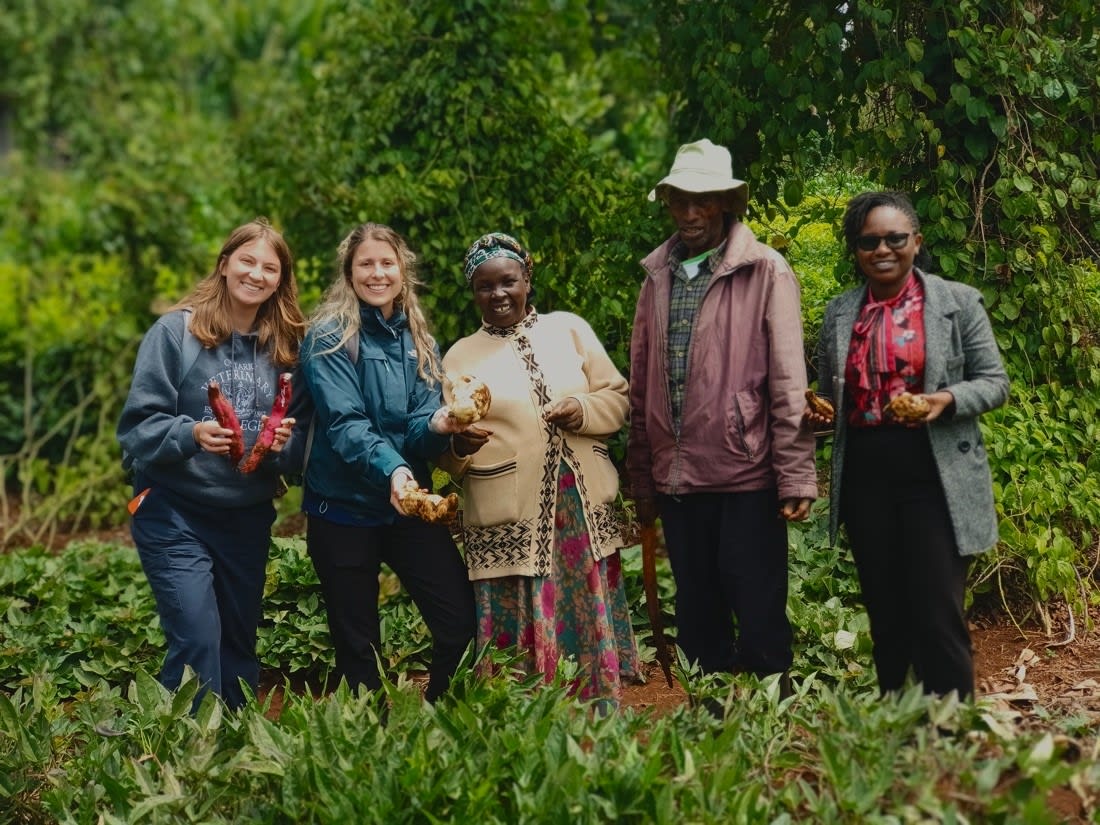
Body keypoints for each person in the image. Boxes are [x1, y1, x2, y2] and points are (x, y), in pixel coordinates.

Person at [626, 139, 818, 686]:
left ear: (726, 203)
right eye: (680, 200)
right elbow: (641, 381)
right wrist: (642, 475)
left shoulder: (765, 271)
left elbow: (787, 378)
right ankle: (707, 722)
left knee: (757, 605)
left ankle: (768, 716)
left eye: (703, 200)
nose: (690, 213)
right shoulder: (657, 277)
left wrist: (796, 473)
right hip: (679, 477)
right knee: (697, 610)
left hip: (745, 471)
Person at [806, 191, 1008, 699]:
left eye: (895, 238)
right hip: (866, 476)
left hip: (934, 470)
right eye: (869, 241)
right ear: (856, 249)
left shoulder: (957, 302)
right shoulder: (839, 313)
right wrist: (818, 412)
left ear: (916, 242)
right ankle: (898, 723)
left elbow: (994, 382)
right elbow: (833, 399)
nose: (883, 250)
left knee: (937, 609)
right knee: (886, 610)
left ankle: (950, 728)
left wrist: (943, 399)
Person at [439, 231, 640, 704]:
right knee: (520, 597)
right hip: (509, 507)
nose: (498, 294)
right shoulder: (459, 356)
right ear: (473, 293)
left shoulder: (569, 329)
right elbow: (447, 453)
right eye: (485, 286)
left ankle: (594, 702)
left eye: (508, 281)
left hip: (579, 504)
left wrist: (581, 408)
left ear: (527, 279)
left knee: (581, 593)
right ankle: (522, 708)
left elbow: (616, 397)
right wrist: (459, 444)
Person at [117, 218, 307, 710]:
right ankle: (184, 754)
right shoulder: (175, 332)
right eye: (247, 261)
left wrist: (283, 444)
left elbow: (305, 437)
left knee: (238, 644)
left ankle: (235, 746)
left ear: (280, 280)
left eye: (270, 268)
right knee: (198, 638)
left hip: (246, 514)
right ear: (225, 265)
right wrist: (191, 433)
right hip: (174, 511)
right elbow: (137, 428)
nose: (256, 274)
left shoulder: (286, 347)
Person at [300, 222, 475, 703]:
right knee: (359, 647)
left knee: (459, 621)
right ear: (349, 272)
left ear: (402, 269)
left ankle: (442, 717)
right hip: (342, 510)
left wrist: (438, 423)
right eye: (366, 264)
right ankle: (372, 750)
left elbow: (417, 429)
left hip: (409, 507)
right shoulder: (328, 339)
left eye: (386, 263)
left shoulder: (419, 341)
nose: (377, 273)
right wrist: (394, 471)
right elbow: (346, 425)